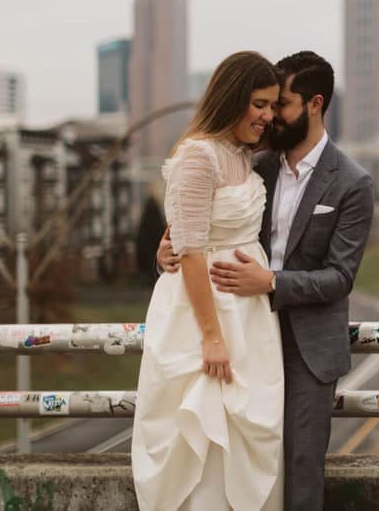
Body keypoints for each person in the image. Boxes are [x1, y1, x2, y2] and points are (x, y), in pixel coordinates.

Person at [158, 50, 374, 510]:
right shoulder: (257, 165)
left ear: (315, 105)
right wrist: (168, 254)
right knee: (236, 467)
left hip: (308, 349)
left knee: (297, 472)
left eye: (284, 105)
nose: (273, 116)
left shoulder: (353, 183)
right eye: (267, 105)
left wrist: (271, 283)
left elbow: (340, 277)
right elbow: (206, 231)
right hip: (245, 336)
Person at [134, 51, 284, 510]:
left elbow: (184, 231)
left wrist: (169, 243)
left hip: (250, 319)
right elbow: (193, 251)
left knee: (249, 434)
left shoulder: (242, 155)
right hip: (202, 319)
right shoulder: (197, 157)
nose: (268, 116)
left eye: (273, 105)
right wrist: (212, 337)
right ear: (233, 97)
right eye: (259, 103)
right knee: (205, 443)